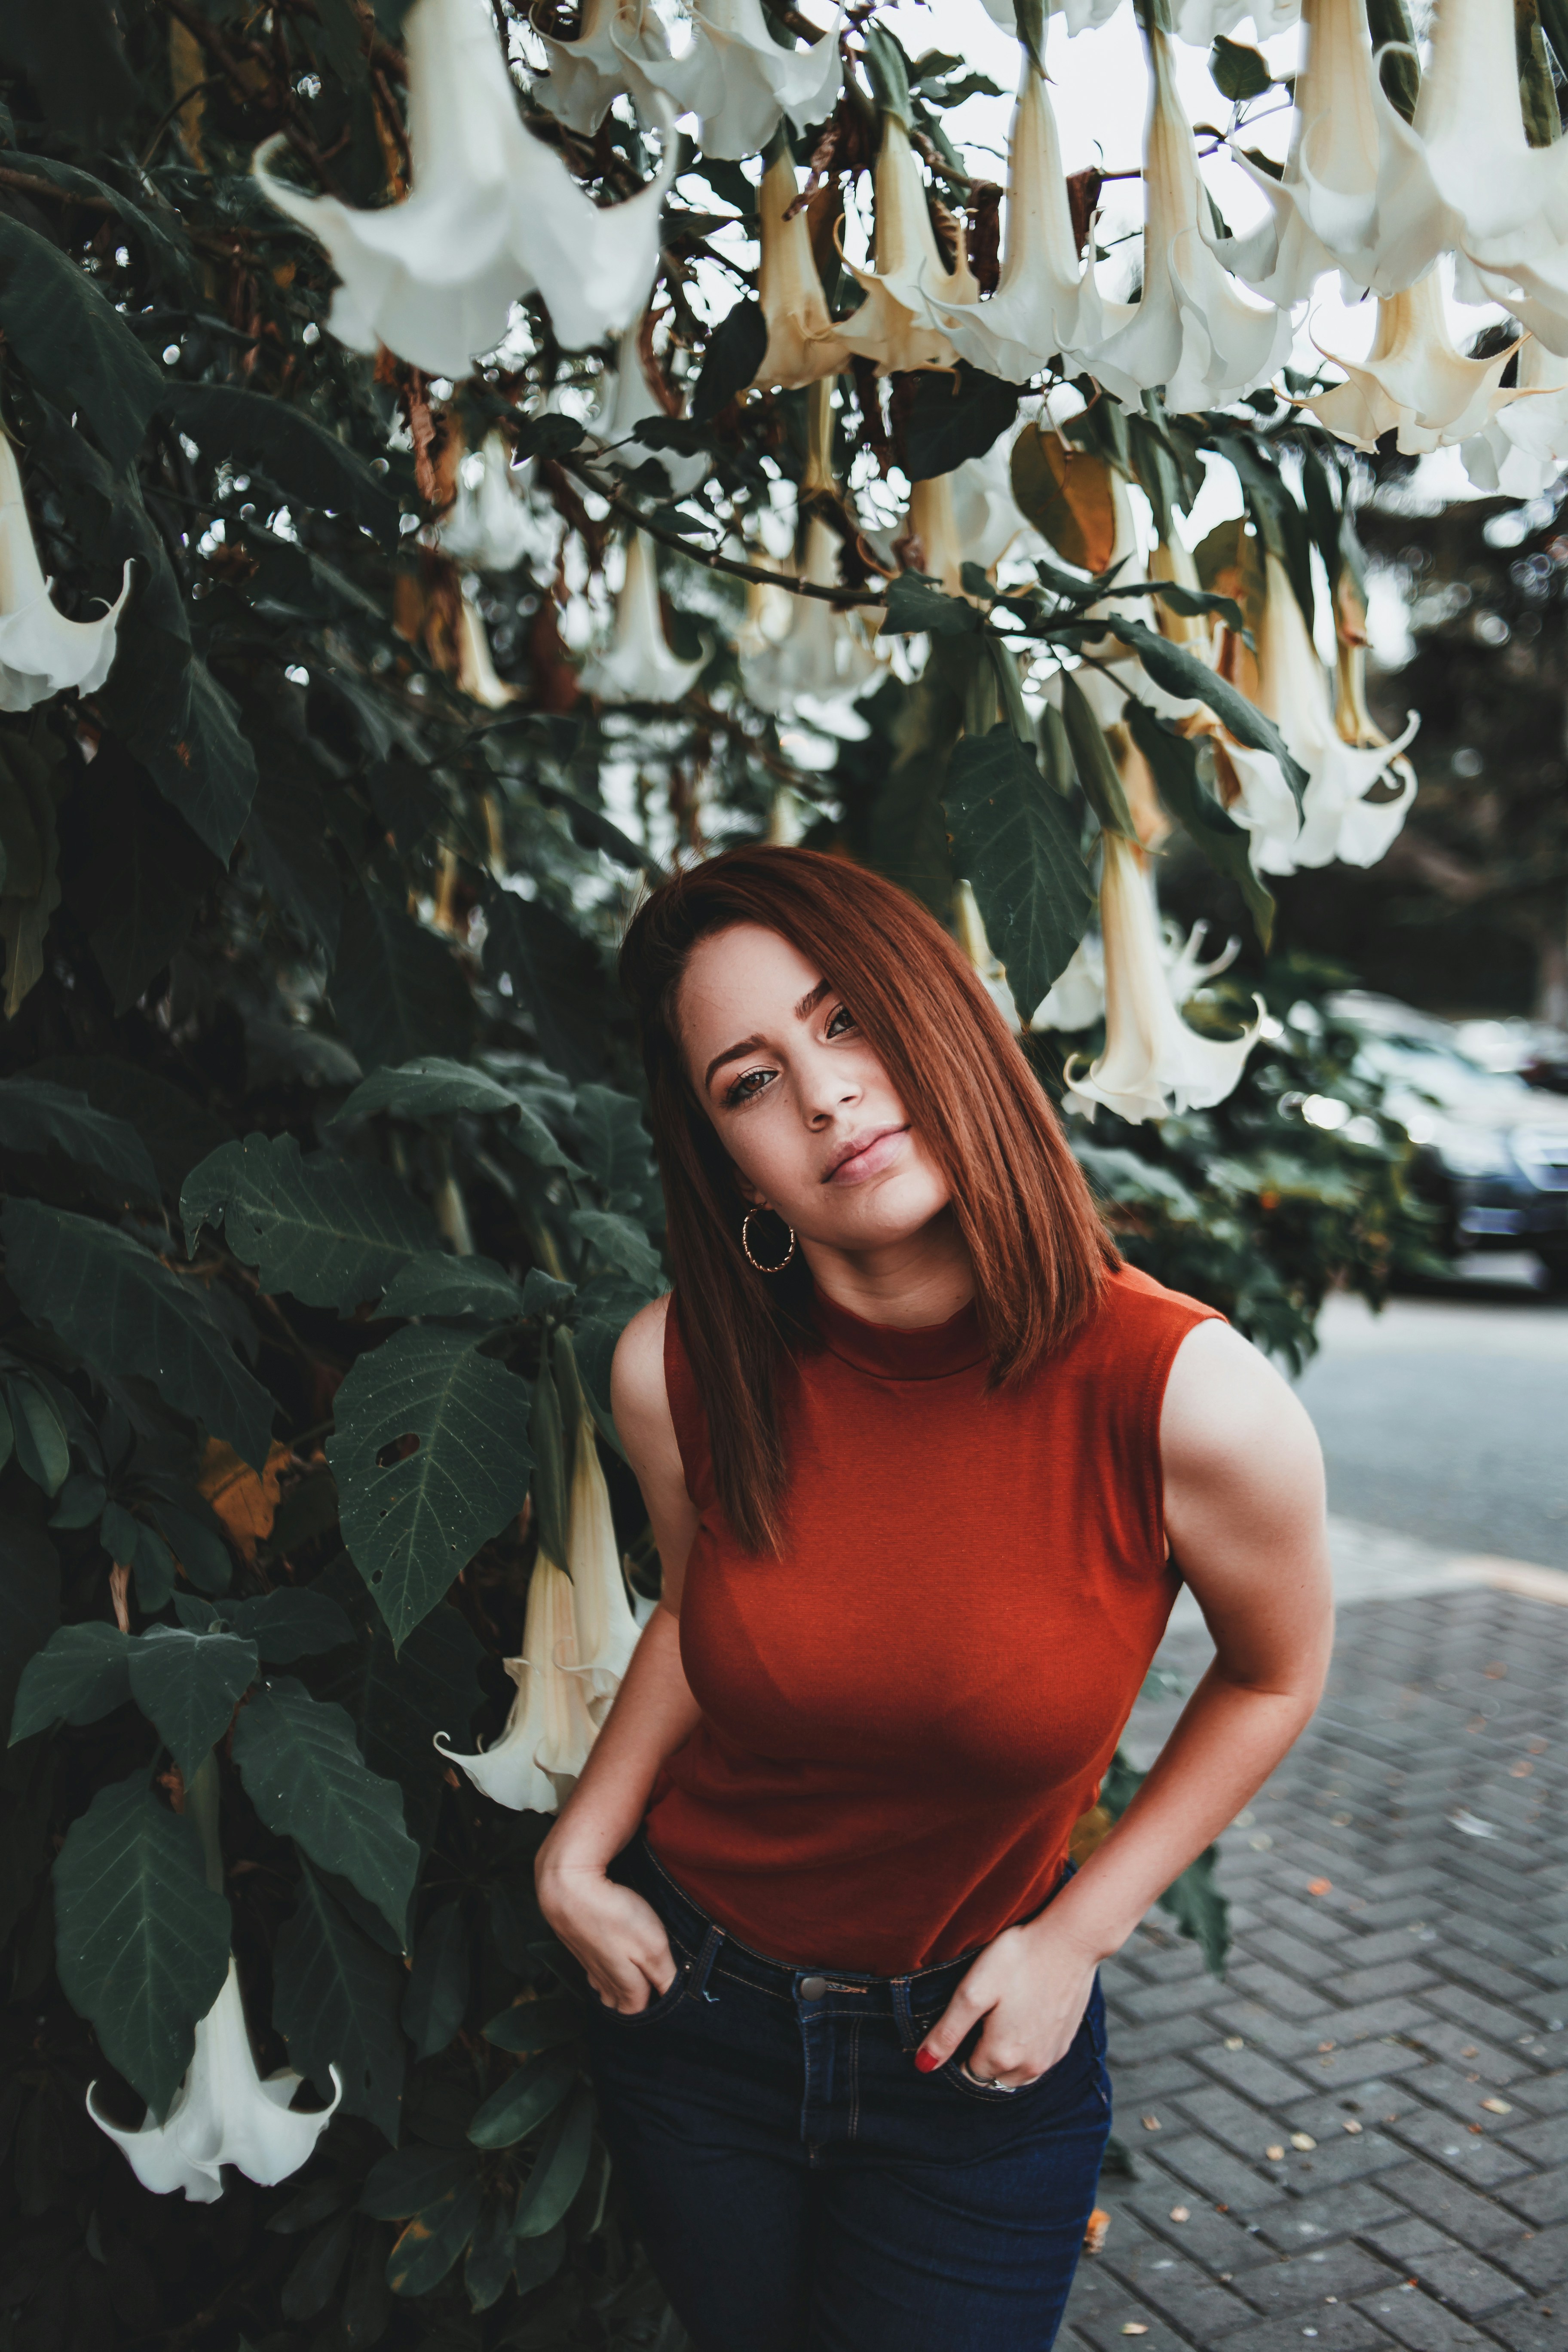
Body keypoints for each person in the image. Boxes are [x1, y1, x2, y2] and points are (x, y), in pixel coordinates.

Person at [535, 844, 1332, 2352]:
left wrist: (1080, 1936)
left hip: (978, 2047)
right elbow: (698, 1621)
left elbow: (1275, 1676)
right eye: (748, 1082)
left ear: (946, 1020)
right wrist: (578, 1852)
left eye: (847, 1021)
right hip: (694, 2020)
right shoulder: (676, 1368)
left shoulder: (1184, 1395)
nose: (825, 1096)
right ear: (725, 1163)